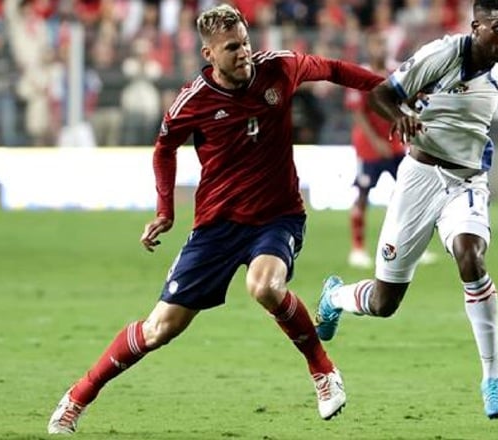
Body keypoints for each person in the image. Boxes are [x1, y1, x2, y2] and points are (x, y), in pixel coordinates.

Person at [47, 4, 384, 434]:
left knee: (264, 286)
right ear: (209, 54)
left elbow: (335, 69)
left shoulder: (279, 68)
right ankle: (78, 396)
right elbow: (164, 148)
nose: (243, 52)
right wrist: (165, 210)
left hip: (277, 217)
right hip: (216, 226)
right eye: (231, 48)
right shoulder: (194, 101)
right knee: (158, 329)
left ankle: (323, 372)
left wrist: (390, 87)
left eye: (245, 42)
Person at [315, 0, 498, 420]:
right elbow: (380, 96)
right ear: (476, 26)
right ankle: (335, 296)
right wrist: (403, 114)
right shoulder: (442, 54)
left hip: (465, 182)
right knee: (384, 301)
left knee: (470, 256)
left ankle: (492, 379)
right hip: (419, 180)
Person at [344, 29, 409, 269]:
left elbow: (405, 104)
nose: (380, 48)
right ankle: (357, 248)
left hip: (396, 145)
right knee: (362, 195)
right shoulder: (359, 74)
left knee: (408, 195)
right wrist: (376, 142)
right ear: (368, 47)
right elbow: (358, 114)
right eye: (376, 44)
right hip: (369, 148)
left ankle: (410, 247)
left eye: (383, 43)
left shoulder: (396, 72)